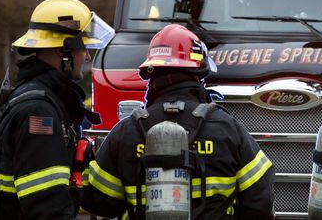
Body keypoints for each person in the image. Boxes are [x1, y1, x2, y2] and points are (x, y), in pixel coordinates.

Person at [81, 23, 275, 219]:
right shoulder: (227, 129)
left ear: (151, 73)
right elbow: (260, 202)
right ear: (198, 73)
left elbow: (99, 203)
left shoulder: (126, 132)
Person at [0, 0, 115, 219]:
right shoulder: (38, 113)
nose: (87, 55)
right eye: (83, 47)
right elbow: (47, 206)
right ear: (64, 50)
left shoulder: (46, 101)